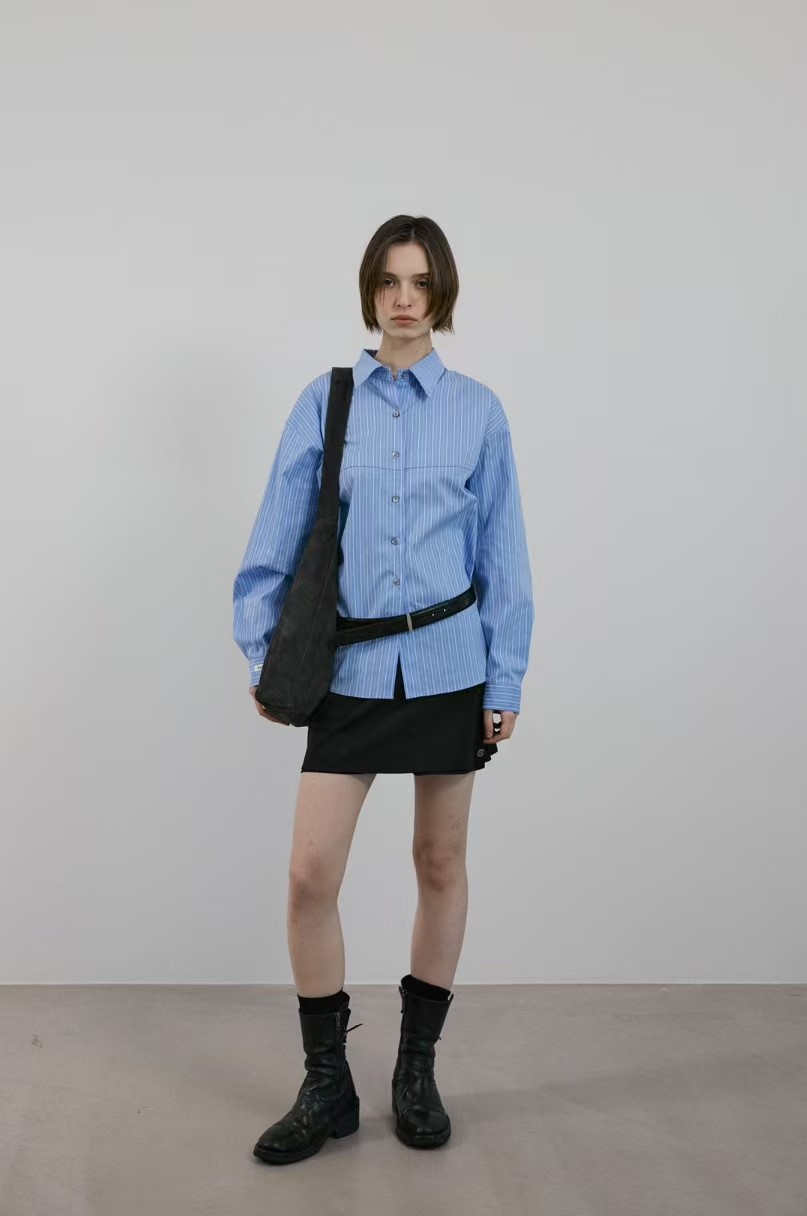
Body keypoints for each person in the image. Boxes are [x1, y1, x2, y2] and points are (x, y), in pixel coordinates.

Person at [232, 214, 534, 1163]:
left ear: (443, 293)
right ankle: (327, 1084)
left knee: (440, 865)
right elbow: (275, 537)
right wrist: (262, 653)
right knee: (309, 876)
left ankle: (416, 1069)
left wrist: (506, 675)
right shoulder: (325, 404)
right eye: (389, 281)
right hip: (352, 672)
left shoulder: (479, 411)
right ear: (369, 289)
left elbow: (504, 556)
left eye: (421, 282)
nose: (405, 299)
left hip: (450, 669)